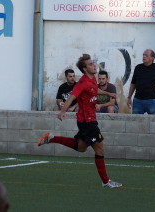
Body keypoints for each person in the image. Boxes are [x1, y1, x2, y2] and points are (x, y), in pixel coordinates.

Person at [38, 54, 122, 188]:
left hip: (88, 120)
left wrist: (108, 94)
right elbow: (72, 97)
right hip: (87, 121)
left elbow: (95, 90)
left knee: (81, 147)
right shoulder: (82, 83)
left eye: (93, 63)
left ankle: (51, 138)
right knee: (99, 148)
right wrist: (63, 111)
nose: (94, 65)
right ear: (84, 69)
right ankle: (106, 181)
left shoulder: (93, 79)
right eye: (90, 64)